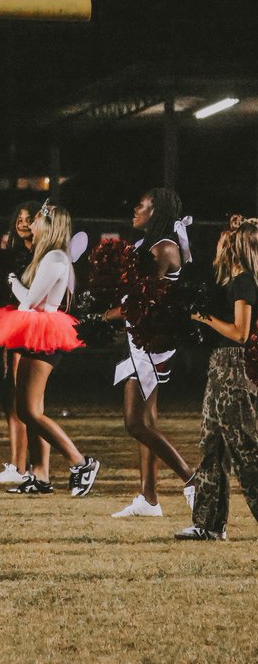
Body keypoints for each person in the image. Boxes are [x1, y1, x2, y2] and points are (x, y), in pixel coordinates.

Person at [0, 203, 100, 498]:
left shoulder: (55, 259)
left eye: (35, 220)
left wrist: (13, 283)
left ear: (48, 226)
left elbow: (29, 303)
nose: (30, 225)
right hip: (35, 332)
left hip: (43, 334)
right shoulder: (47, 257)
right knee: (26, 409)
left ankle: (80, 462)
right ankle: (40, 475)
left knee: (30, 411)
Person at [108, 189, 196, 517]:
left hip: (151, 341)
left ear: (156, 211)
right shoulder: (145, 247)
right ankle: (148, 497)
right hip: (140, 337)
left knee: (134, 422)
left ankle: (192, 478)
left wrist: (105, 314)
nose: (134, 207)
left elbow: (145, 301)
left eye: (141, 204)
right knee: (146, 418)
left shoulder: (164, 249)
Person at [177, 218, 258, 540]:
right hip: (223, 367)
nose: (219, 245)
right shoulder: (235, 280)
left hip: (234, 368)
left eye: (226, 240)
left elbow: (240, 333)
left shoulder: (244, 282)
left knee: (246, 449)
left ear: (237, 246)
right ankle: (209, 524)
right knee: (212, 445)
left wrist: (202, 317)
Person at [0, 201, 43, 486]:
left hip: (32, 328)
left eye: (28, 218)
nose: (22, 223)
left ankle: (29, 466)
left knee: (25, 399)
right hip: (12, 326)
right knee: (10, 396)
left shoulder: (43, 256)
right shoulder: (11, 254)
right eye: (18, 218)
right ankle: (17, 464)